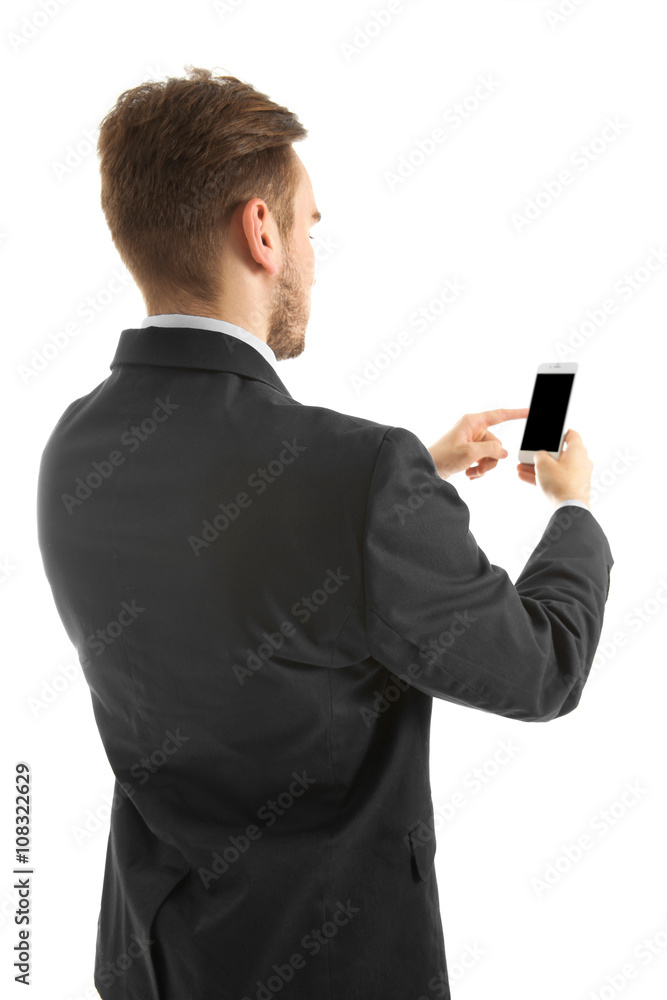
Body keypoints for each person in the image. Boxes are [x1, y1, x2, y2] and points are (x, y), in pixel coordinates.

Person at [37, 67, 613, 1000]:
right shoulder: (355, 477)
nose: (311, 251)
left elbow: (228, 561)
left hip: (152, 964)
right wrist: (571, 509)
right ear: (260, 231)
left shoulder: (73, 446)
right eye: (309, 225)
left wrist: (412, 479)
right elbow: (542, 667)